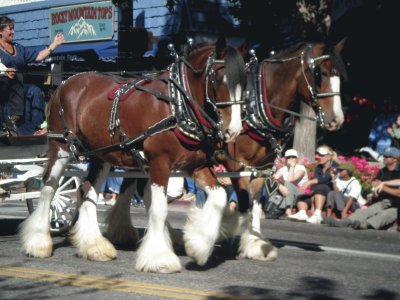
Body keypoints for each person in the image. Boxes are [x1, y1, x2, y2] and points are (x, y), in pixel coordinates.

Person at [0, 16, 64, 137]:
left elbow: (38, 57)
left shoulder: (18, 48)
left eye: (13, 29)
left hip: (17, 85)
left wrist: (54, 45)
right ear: (0, 31)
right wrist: (4, 71)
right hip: (3, 87)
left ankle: (34, 128)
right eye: (10, 29)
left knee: (34, 90)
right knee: (16, 83)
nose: (13, 32)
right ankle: (10, 121)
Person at [323, 146, 400, 230]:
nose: (384, 158)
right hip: (381, 201)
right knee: (364, 212)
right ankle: (344, 222)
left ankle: (364, 225)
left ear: (395, 159)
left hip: (396, 204)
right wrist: (373, 190)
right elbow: (376, 186)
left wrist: (382, 186)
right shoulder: (382, 172)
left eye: (387, 156)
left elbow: (398, 193)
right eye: (384, 156)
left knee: (385, 215)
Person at [288, 145, 339, 224]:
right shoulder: (318, 167)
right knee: (301, 197)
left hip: (331, 199)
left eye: (321, 155)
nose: (317, 157)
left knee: (322, 186)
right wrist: (312, 200)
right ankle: (302, 213)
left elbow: (326, 180)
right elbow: (314, 186)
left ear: (329, 157)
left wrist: (309, 182)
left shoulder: (335, 166)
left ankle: (317, 214)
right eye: (317, 154)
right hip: (318, 195)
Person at [268, 149, 308, 218]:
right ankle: (269, 209)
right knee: (275, 187)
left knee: (287, 184)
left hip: (300, 195)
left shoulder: (301, 168)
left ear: (297, 158)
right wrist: (279, 186)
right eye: (288, 157)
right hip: (287, 194)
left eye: (293, 157)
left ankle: (288, 211)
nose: (291, 159)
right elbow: (272, 180)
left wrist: (292, 167)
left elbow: (290, 180)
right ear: (285, 159)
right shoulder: (283, 169)